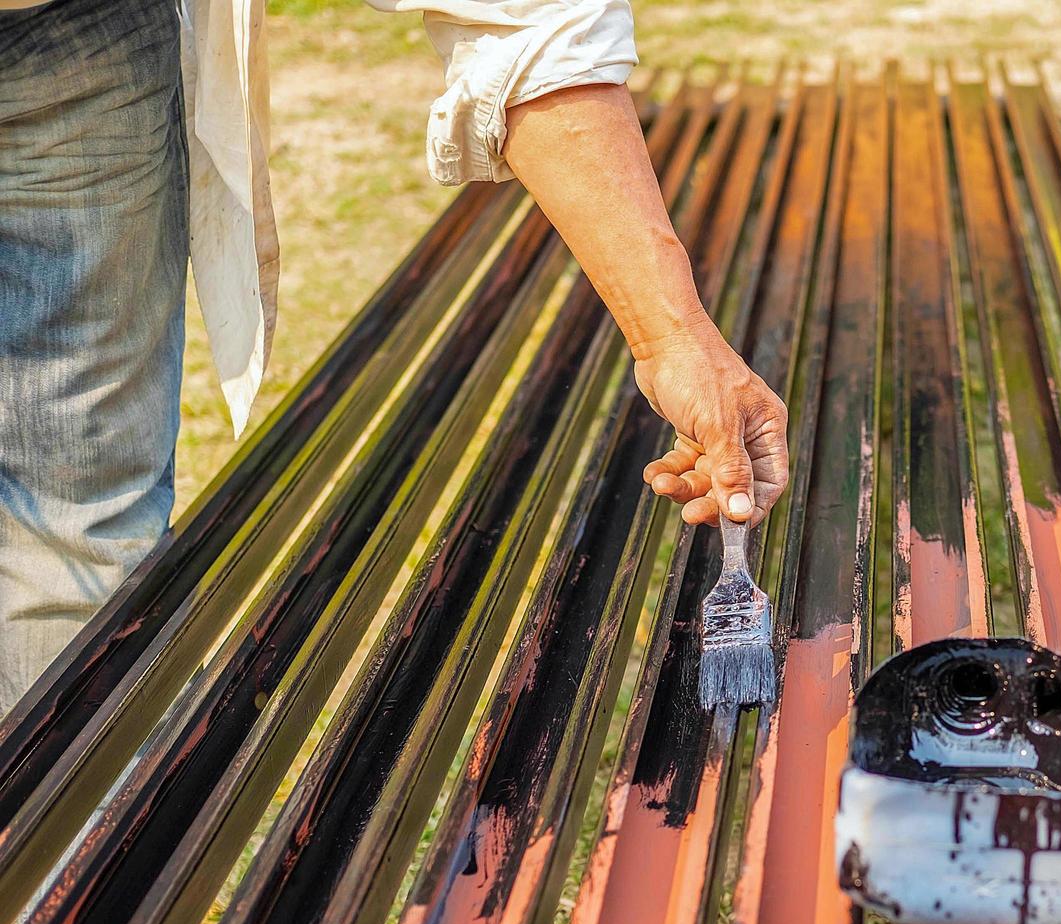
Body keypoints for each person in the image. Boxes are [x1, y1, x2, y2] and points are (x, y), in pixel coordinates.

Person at [0, 0, 787, 707]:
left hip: (77, 37)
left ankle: (63, 857)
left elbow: (524, 15)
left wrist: (672, 336)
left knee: (81, 523)